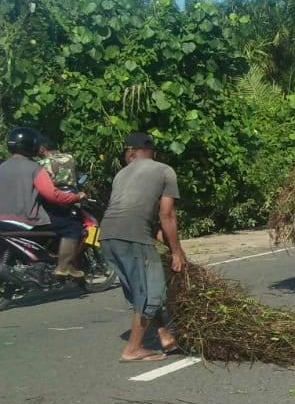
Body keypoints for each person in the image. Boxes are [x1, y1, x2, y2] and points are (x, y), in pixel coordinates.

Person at [99, 132, 187, 363]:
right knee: (152, 293)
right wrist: (177, 252)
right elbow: (166, 215)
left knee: (140, 290)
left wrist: (172, 246)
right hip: (134, 237)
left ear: (130, 152)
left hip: (107, 236)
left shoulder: (121, 174)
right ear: (153, 152)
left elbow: (142, 218)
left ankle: (164, 335)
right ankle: (133, 349)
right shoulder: (165, 170)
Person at [0, 127, 87, 277]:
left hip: (2, 221)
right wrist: (76, 197)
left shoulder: (2, 167)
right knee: (72, 226)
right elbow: (52, 195)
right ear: (31, 145)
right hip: (27, 220)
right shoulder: (35, 168)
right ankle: (63, 266)